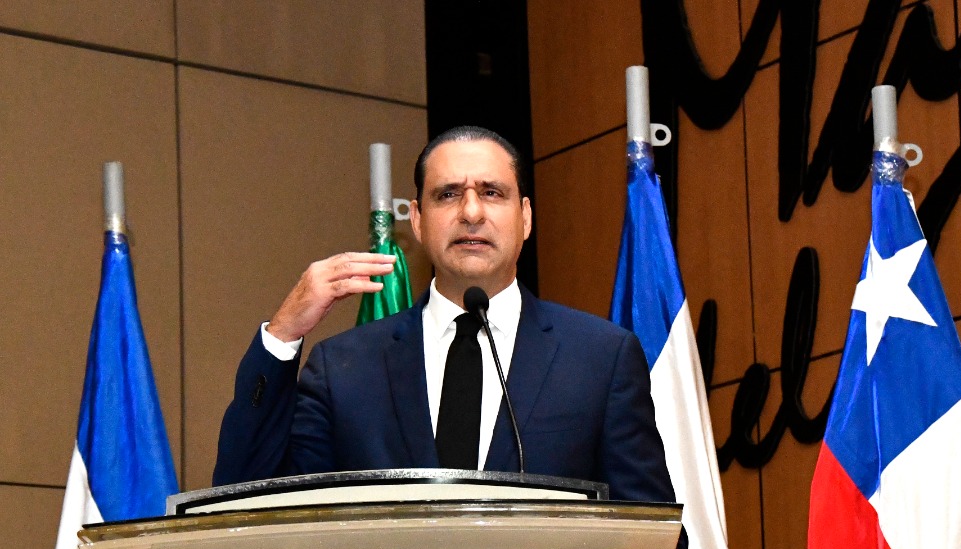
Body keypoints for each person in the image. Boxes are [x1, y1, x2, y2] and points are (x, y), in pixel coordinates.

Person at [213, 126, 674, 504]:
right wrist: (283, 333)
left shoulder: (600, 358)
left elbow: (656, 535)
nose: (471, 212)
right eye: (448, 194)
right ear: (417, 220)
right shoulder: (344, 369)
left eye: (492, 192)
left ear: (526, 217)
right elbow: (244, 501)